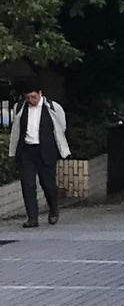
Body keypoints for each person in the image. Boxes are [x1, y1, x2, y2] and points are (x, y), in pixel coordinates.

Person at [13, 87, 69, 226]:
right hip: (27, 150)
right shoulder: (20, 107)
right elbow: (17, 127)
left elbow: (61, 126)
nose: (31, 100)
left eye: (33, 97)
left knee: (48, 184)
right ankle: (32, 218)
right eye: (28, 98)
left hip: (46, 150)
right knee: (28, 185)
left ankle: (53, 209)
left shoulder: (52, 107)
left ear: (40, 94)